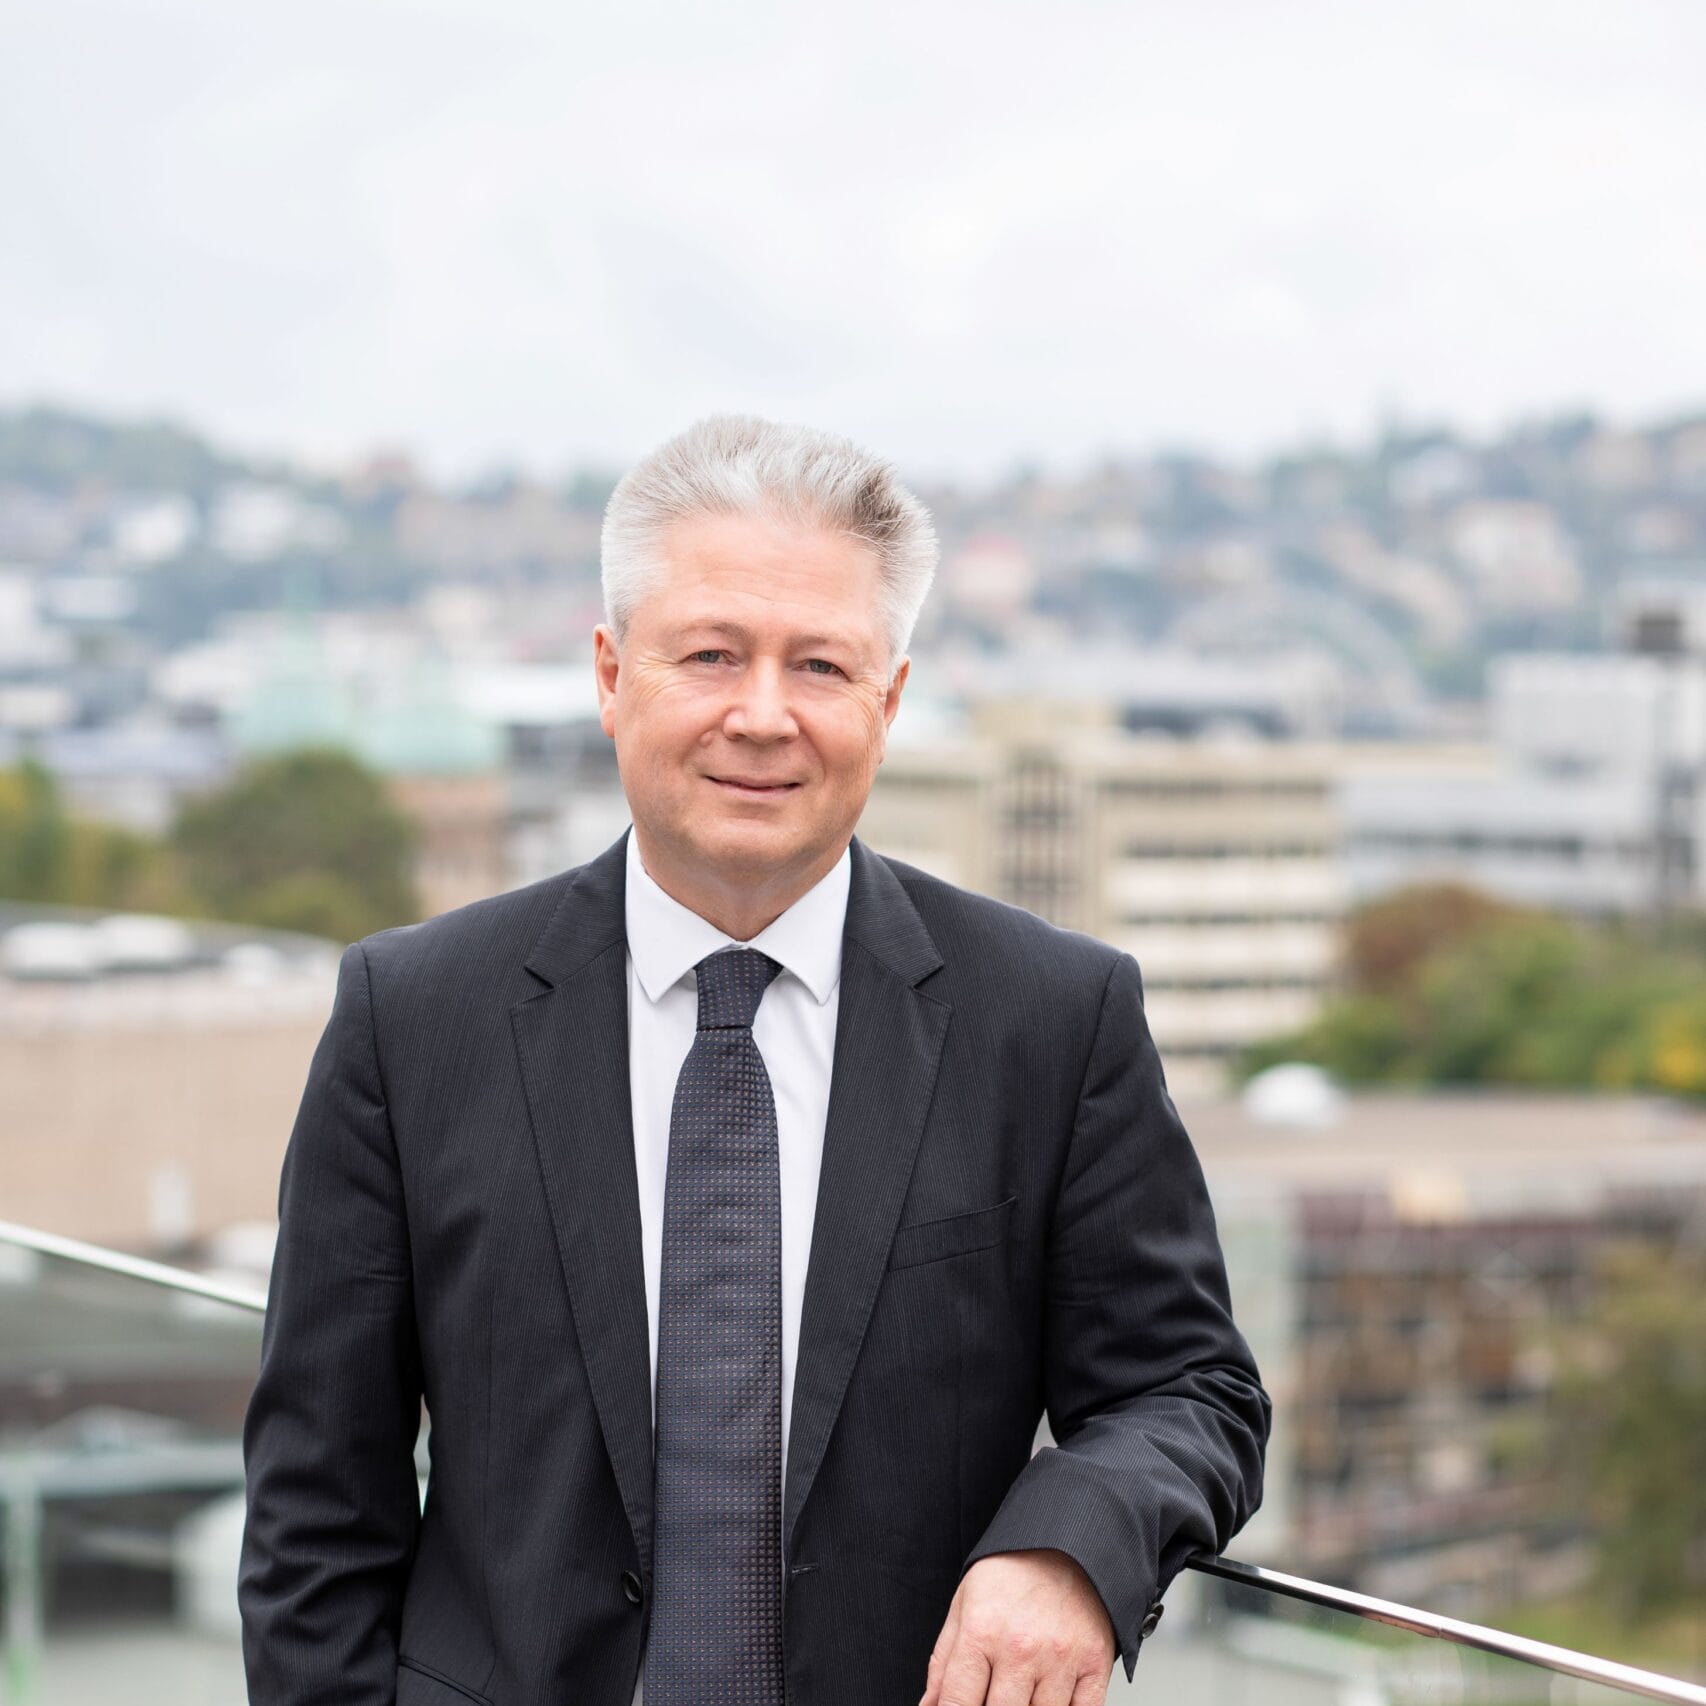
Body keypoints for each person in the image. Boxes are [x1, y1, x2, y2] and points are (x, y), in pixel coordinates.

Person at [239, 415, 1270, 1706]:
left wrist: (1069, 1546)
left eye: (821, 665)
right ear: (611, 675)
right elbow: (317, 1503)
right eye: (711, 655)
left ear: (887, 703)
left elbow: (1191, 1389)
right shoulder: (413, 1015)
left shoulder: (1050, 1018)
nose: (764, 715)